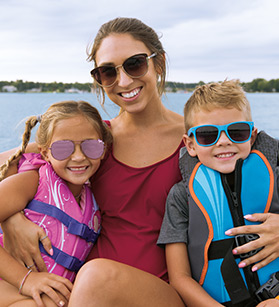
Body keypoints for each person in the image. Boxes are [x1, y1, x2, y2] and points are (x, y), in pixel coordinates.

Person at [0, 17, 278, 306]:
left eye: (135, 64)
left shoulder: (206, 139)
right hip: (88, 292)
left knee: (96, 276)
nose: (123, 81)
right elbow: (19, 157)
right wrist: (11, 217)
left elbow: (260, 187)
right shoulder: (93, 143)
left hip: (164, 292)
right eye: (107, 72)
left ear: (158, 63)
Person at [157, 80, 279, 306]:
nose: (224, 141)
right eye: (207, 135)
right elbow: (179, 278)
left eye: (237, 132)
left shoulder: (276, 179)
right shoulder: (180, 197)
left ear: (252, 136)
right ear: (190, 144)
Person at [0, 100, 112, 306]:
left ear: (103, 150)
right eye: (63, 148)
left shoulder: (92, 198)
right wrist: (26, 280)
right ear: (45, 153)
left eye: (90, 147)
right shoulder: (33, 181)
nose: (78, 157)